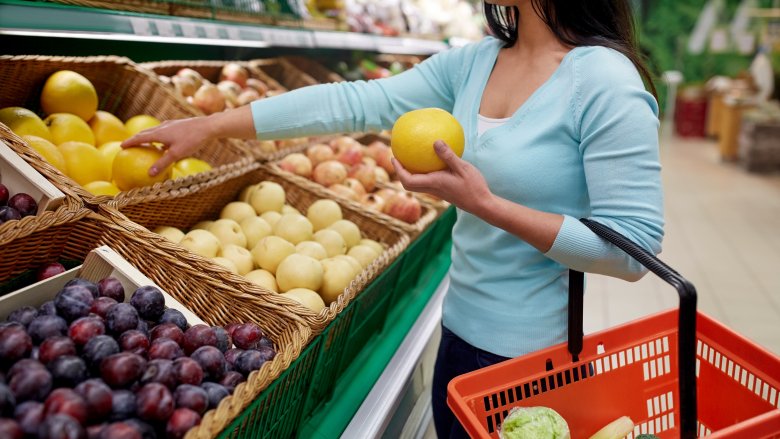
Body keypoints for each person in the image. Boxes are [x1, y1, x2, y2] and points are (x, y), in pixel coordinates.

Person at [123, 0, 664, 436]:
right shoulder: (477, 61)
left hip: (529, 364)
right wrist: (213, 125)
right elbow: (357, 102)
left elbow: (631, 248)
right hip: (458, 337)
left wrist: (486, 204)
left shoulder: (603, 81)